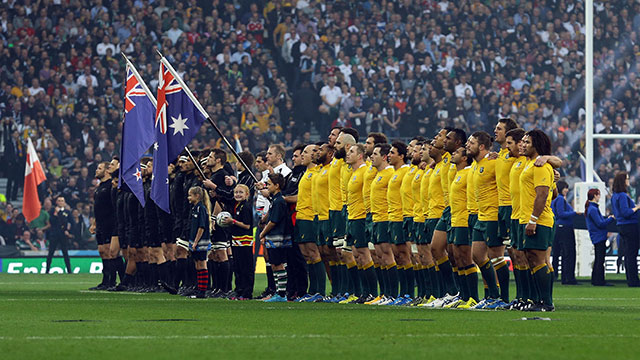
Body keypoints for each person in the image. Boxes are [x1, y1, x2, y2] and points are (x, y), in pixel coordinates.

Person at [520, 129, 556, 311]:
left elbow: (542, 194)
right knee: (532, 259)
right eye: (523, 141)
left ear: (536, 145)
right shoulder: (529, 163)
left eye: (527, 142)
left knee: (539, 259)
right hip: (526, 217)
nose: (523, 145)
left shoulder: (541, 166)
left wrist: (533, 219)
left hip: (539, 220)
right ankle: (539, 301)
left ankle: (546, 302)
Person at [260, 173, 292, 302]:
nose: (267, 186)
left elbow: (273, 221)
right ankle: (278, 292)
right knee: (274, 264)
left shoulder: (279, 201)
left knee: (278, 264)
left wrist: (263, 233)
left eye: (269, 184)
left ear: (277, 185)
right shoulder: (275, 200)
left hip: (278, 237)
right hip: (275, 237)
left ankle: (282, 294)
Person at [90, 161, 116, 290]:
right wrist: (94, 223)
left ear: (106, 171)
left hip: (108, 223)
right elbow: (97, 207)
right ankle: (105, 280)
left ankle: (111, 280)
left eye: (99, 168)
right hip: (100, 223)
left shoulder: (110, 186)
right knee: (102, 251)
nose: (96, 170)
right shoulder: (100, 186)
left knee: (109, 252)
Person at [610, 172, 640, 287]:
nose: (628, 180)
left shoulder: (614, 196)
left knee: (628, 253)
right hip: (630, 225)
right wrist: (636, 207)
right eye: (627, 179)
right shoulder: (622, 195)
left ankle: (631, 279)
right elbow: (625, 212)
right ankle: (633, 280)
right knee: (632, 254)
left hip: (621, 226)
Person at [226, 184, 255, 299]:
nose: (237, 194)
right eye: (236, 192)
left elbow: (247, 226)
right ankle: (238, 290)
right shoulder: (237, 206)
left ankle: (247, 293)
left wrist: (232, 221)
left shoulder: (246, 207)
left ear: (247, 194)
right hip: (236, 241)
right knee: (237, 267)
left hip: (245, 242)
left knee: (246, 268)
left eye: (240, 192)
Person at [585, 189, 615, 287]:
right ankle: (599, 280)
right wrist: (610, 219)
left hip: (597, 236)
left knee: (599, 259)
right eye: (599, 195)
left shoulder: (591, 208)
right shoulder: (593, 209)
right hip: (599, 236)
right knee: (600, 259)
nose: (600, 197)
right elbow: (600, 223)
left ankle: (596, 280)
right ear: (595, 195)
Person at [551, 180, 579, 285]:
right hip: (565, 228)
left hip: (557, 227)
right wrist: (574, 213)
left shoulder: (555, 199)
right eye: (565, 188)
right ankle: (567, 277)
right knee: (568, 253)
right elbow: (561, 213)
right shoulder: (560, 199)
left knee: (557, 253)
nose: (567, 190)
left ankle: (557, 275)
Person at [187, 186, 212, 299]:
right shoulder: (194, 208)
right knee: (197, 264)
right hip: (195, 241)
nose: (188, 198)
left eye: (190, 195)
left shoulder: (201, 208)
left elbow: (201, 227)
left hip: (201, 241)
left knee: (202, 264)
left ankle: (202, 291)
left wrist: (196, 241)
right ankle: (199, 289)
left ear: (197, 196)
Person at [45, 196, 72, 274]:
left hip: (63, 235)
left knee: (65, 253)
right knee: (50, 253)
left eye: (62, 201)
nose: (60, 202)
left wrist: (69, 230)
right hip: (54, 234)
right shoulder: (52, 211)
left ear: (64, 202)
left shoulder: (67, 212)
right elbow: (52, 221)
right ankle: (47, 270)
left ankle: (69, 270)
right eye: (59, 200)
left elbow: (71, 222)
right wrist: (56, 214)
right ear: (56, 202)